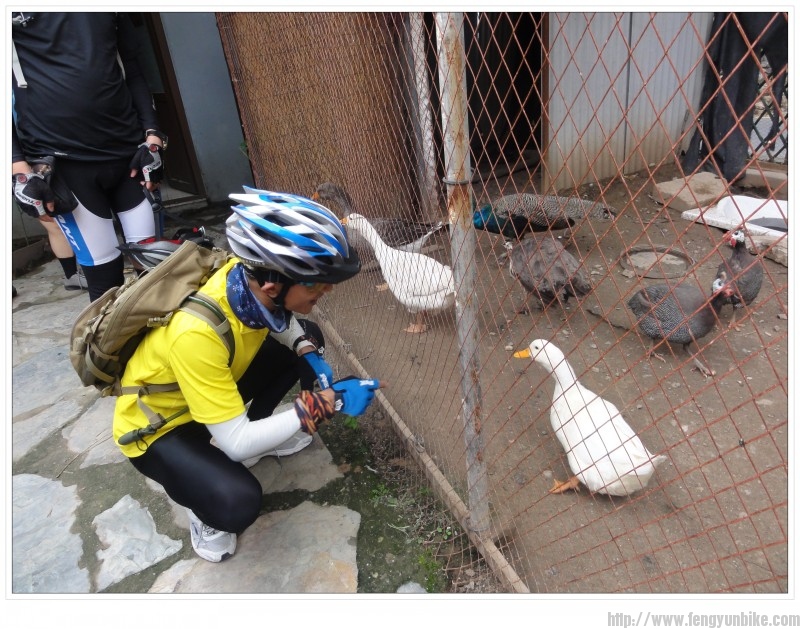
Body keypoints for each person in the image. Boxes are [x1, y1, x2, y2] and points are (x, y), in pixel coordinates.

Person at [112, 189, 383, 563]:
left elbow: (278, 320)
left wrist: (303, 347)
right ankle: (201, 509)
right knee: (237, 503)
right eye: (316, 282)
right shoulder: (195, 334)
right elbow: (238, 443)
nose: (327, 289)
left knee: (308, 338)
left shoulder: (239, 277)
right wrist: (326, 402)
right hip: (162, 427)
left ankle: (259, 436)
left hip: (206, 392)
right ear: (273, 285)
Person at [11, 12, 165, 301]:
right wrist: (17, 166)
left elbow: (133, 69)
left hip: (129, 156)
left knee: (153, 270)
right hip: (64, 165)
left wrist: (153, 135)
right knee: (105, 282)